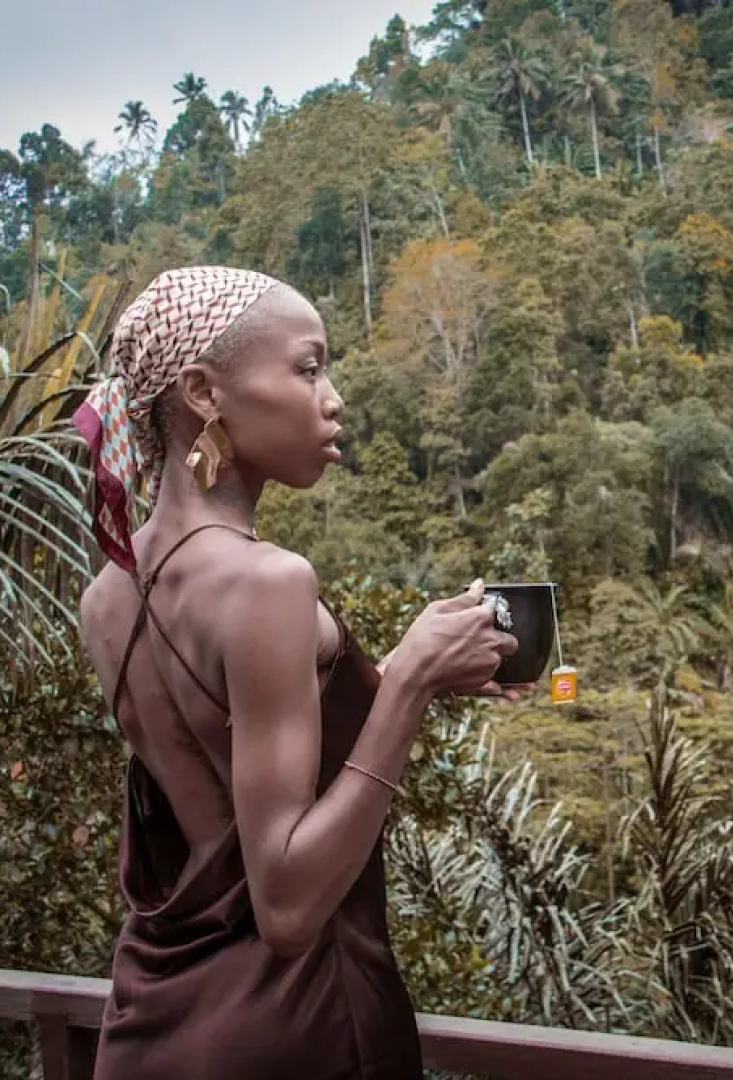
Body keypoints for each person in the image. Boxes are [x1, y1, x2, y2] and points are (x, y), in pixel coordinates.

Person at [71, 266, 523, 1079]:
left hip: (155, 1019)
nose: (333, 398)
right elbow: (285, 906)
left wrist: (402, 669)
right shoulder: (267, 582)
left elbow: (221, 768)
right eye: (308, 368)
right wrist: (411, 685)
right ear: (203, 392)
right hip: (295, 1021)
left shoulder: (107, 591)